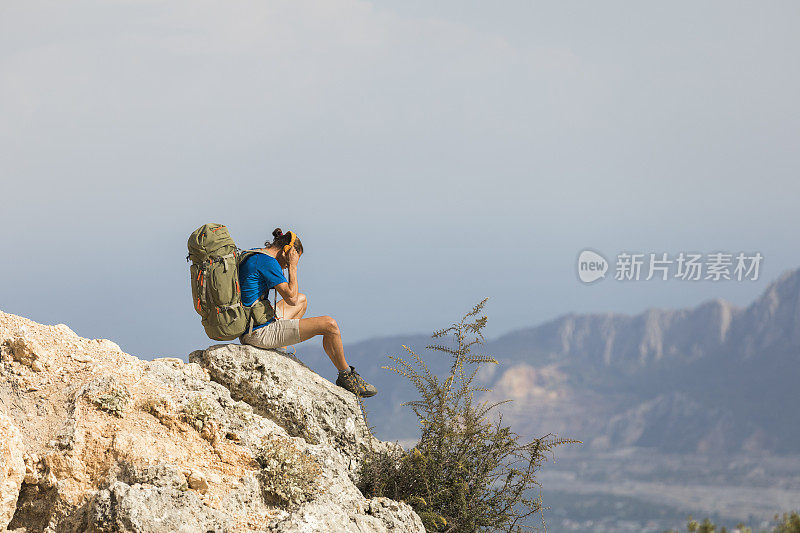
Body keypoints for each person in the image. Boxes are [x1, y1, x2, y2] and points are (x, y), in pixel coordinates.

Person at [238, 228, 377, 398]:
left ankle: (280, 349)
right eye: (293, 258)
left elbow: (297, 299)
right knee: (330, 325)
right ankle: (346, 376)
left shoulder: (256, 255)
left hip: (249, 323)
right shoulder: (269, 262)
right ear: (287, 252)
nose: (287, 264)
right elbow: (291, 299)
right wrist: (293, 268)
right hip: (258, 333)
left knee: (303, 299)